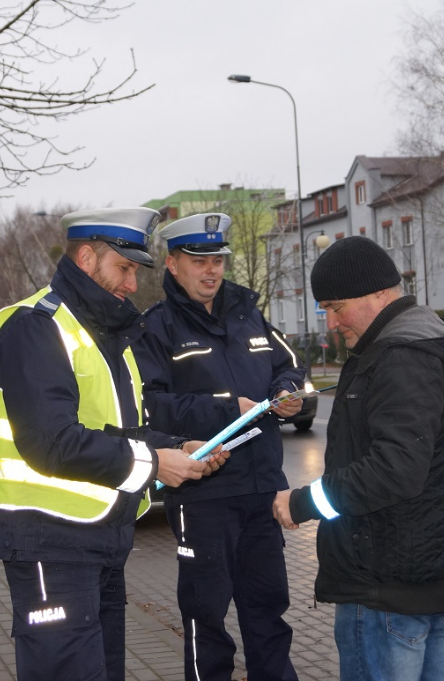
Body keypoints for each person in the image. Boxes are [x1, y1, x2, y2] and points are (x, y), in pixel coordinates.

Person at [0, 207, 228, 681]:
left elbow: (115, 430)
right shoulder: (35, 327)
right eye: (125, 268)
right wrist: (156, 463)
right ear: (87, 257)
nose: (132, 285)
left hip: (97, 540)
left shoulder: (102, 334)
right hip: (48, 542)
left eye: (136, 271)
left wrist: (182, 445)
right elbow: (50, 443)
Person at [271, 236, 444, 681]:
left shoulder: (399, 356)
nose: (333, 322)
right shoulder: (430, 343)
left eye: (337, 306)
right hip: (431, 577)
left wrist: (302, 502)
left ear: (378, 292)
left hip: (388, 581)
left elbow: (393, 472)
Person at [133, 212, 305, 681]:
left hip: (262, 487)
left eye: (218, 260)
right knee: (206, 619)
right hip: (204, 493)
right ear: (172, 264)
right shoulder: (156, 327)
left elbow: (289, 365)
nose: (211, 270)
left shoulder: (248, 313)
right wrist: (226, 408)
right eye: (198, 260)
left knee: (269, 612)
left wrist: (287, 391)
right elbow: (147, 404)